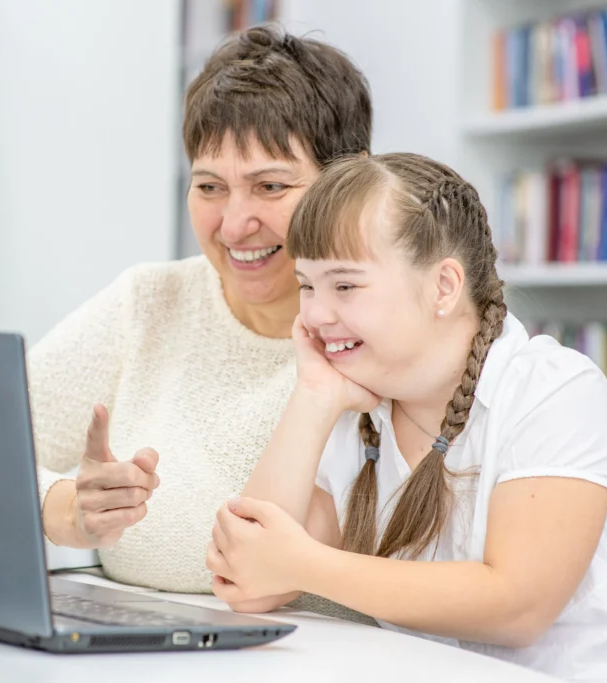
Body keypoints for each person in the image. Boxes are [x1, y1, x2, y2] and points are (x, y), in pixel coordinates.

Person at [206, 152, 607, 681]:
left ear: (443, 287)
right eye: (307, 286)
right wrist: (311, 395)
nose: (313, 315)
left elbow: (516, 606)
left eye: (345, 286)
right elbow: (250, 578)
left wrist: (303, 564)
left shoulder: (554, 389)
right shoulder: (357, 403)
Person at [27, 24, 372, 593]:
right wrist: (64, 507)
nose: (234, 225)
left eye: (269, 186)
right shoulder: (150, 302)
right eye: (210, 187)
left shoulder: (389, 332)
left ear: (350, 183)